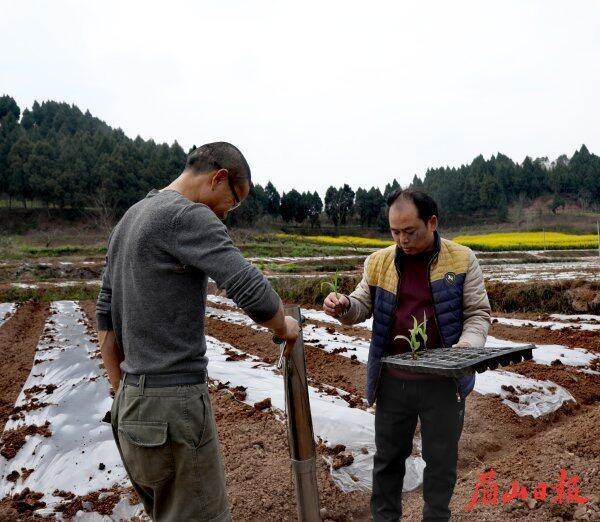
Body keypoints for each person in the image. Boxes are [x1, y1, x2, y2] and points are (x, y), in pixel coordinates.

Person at [96, 142, 300, 522]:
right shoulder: (186, 216)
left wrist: (122, 390)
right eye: (234, 200)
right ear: (218, 178)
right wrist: (284, 325)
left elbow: (105, 316)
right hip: (173, 408)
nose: (227, 214)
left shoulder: (130, 218)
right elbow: (249, 287)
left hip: (129, 408)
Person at [323, 189, 491, 521]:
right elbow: (361, 305)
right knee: (388, 462)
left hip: (443, 383)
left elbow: (477, 314)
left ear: (432, 223)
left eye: (409, 231)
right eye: (395, 232)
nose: (402, 240)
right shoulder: (379, 262)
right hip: (393, 383)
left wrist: (467, 347)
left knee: (441, 463)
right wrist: (343, 307)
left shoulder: (461, 259)